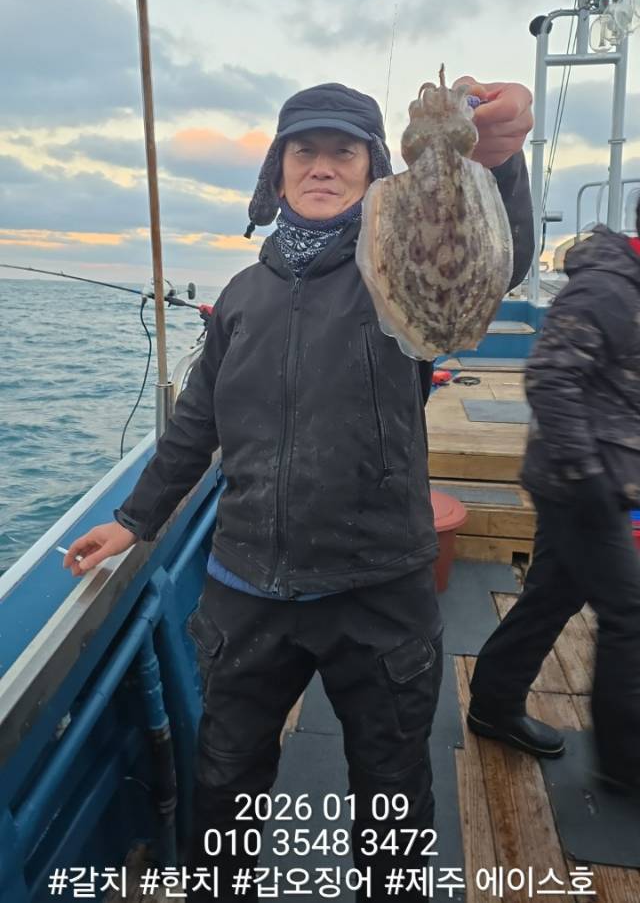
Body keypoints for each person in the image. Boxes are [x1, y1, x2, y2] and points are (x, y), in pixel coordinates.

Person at [65, 75, 534, 900]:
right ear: (276, 173)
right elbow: (196, 424)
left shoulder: (394, 274)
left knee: (392, 798)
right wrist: (133, 520)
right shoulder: (241, 298)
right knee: (225, 788)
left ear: (374, 169)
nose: (321, 166)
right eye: (303, 151)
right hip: (248, 590)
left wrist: (498, 163)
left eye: (343, 152)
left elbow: (497, 258)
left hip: (378, 591)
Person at [468, 205, 640, 796]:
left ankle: (492, 703)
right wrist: (590, 476)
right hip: (582, 485)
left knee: (551, 597)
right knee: (630, 615)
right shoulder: (606, 290)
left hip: (597, 479)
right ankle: (626, 764)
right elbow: (549, 377)